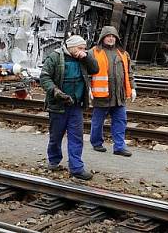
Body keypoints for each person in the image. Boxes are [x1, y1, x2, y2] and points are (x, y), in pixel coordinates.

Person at [39, 35, 99, 180]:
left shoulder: (83, 58)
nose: (82, 51)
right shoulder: (55, 57)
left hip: (76, 105)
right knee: (56, 136)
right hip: (58, 105)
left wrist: (86, 57)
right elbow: (44, 77)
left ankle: (76, 168)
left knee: (76, 137)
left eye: (84, 48)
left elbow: (95, 69)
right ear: (71, 47)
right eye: (80, 48)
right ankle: (53, 161)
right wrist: (56, 92)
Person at [89, 26, 136, 157]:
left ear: (116, 38)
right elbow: (86, 73)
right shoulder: (93, 53)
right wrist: (88, 88)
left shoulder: (123, 54)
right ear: (102, 38)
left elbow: (129, 73)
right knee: (97, 122)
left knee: (121, 120)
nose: (111, 38)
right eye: (108, 36)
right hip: (101, 96)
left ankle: (119, 147)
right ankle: (96, 143)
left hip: (118, 96)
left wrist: (132, 88)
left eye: (113, 36)